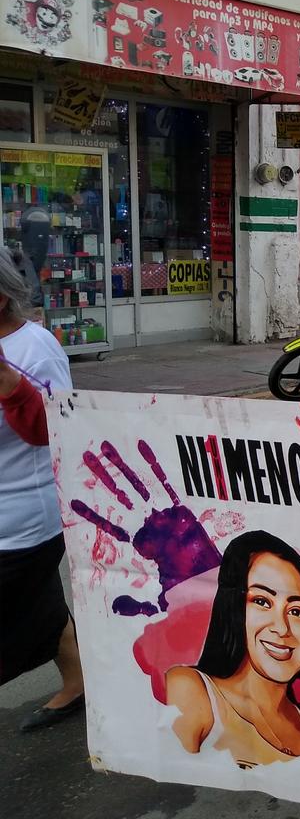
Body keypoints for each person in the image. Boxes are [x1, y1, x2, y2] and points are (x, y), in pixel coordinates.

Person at [0, 248, 83, 733]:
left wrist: (11, 384)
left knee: (24, 615)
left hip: (21, 523)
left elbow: (56, 430)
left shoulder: (35, 349)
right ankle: (80, 683)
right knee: (43, 607)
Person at [166, 531, 300, 766]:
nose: (281, 628)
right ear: (233, 607)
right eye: (262, 602)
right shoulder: (191, 691)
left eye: (297, 611)